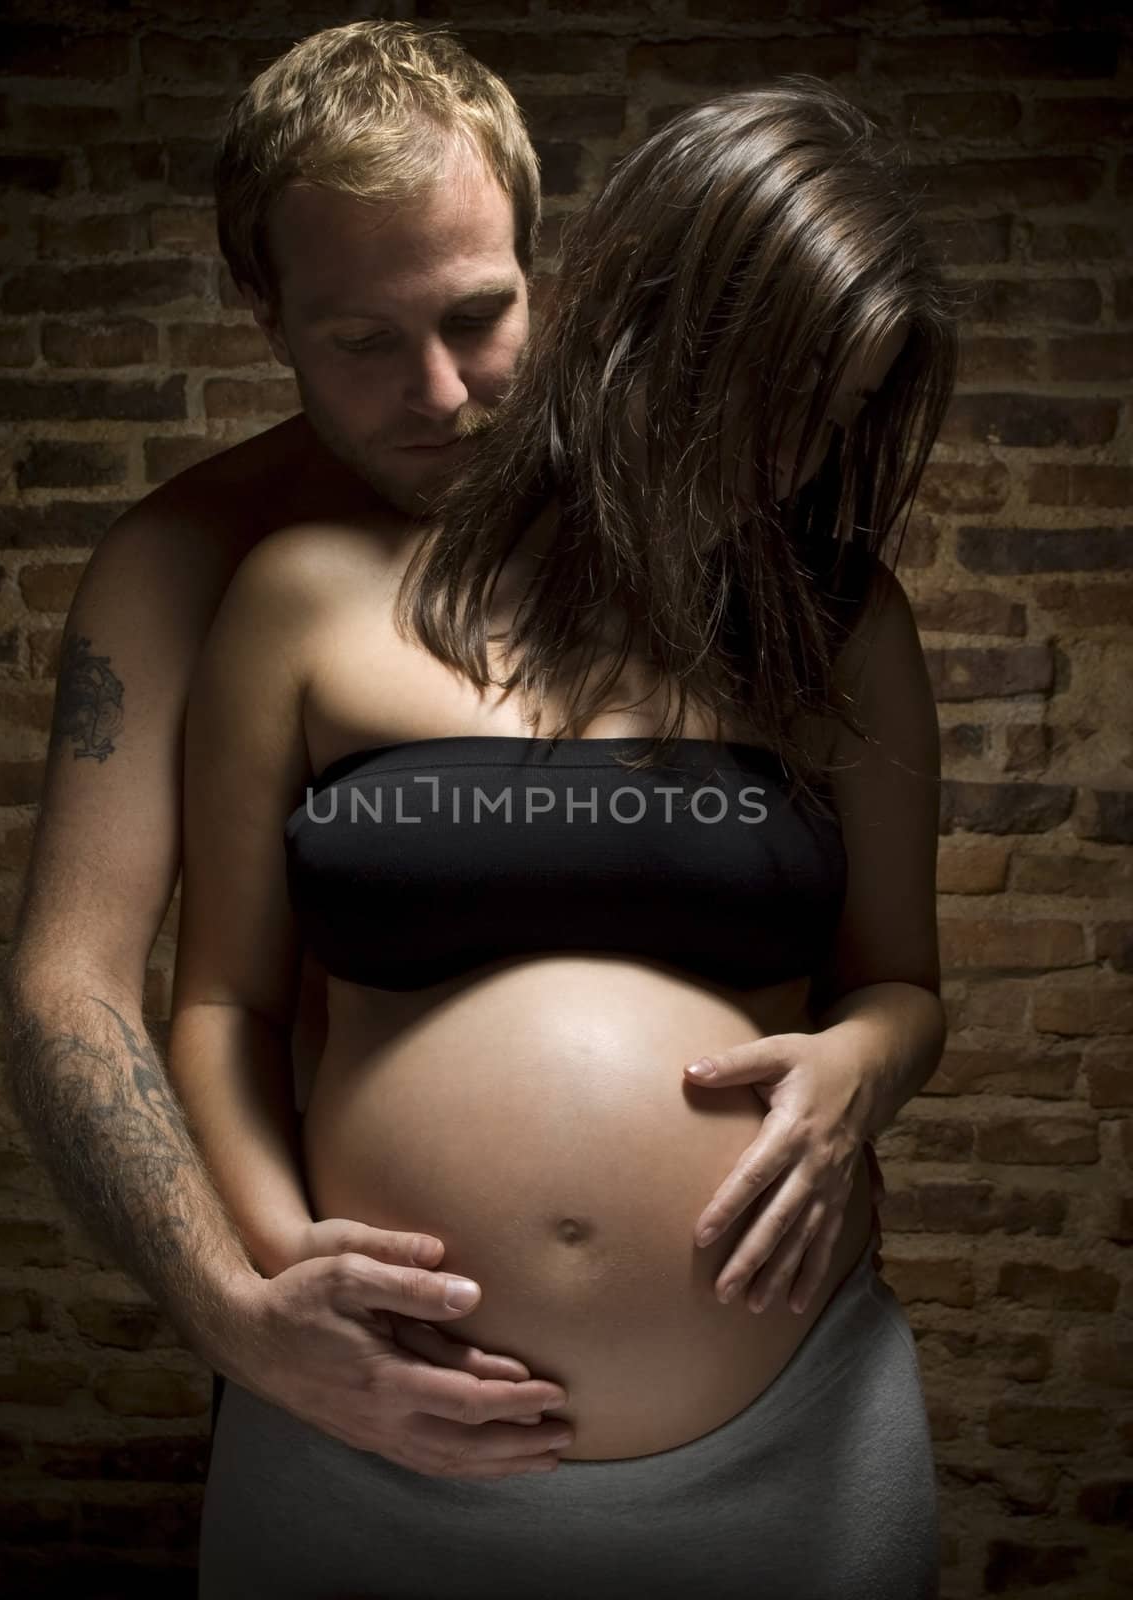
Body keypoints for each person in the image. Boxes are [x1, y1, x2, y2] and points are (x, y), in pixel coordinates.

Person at [173, 57, 955, 1600]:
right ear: (647, 317)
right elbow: (223, 1005)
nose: (793, 461)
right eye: (772, 400)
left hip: (786, 1446)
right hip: (363, 1431)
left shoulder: (844, 626)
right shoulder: (309, 600)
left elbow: (904, 988)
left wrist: (862, 1069)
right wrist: (287, 1293)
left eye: (839, 420)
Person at [0, 19, 575, 1485]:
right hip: (350, 1379)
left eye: (479, 315)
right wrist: (239, 1320)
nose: (440, 392)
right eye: (364, 341)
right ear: (264, 311)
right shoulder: (186, 562)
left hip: (757, 1411)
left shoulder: (665, 535)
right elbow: (72, 981)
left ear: (536, 255)